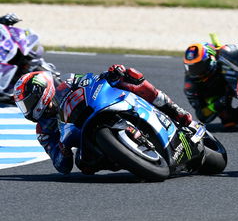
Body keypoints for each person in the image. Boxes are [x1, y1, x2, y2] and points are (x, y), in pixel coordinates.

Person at [13, 64, 192, 175]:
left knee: (130, 76)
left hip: (99, 106)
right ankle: (128, 157)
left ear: (41, 91)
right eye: (24, 106)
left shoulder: (67, 83)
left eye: (27, 103)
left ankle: (173, 110)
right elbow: (62, 166)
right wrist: (63, 150)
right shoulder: (43, 130)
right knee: (85, 166)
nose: (28, 110)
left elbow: (92, 80)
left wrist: (112, 73)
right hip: (86, 138)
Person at [183, 42, 238, 128]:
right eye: (191, 67)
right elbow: (202, 116)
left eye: (198, 66)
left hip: (236, 82)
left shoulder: (223, 57)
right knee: (229, 120)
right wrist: (219, 102)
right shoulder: (190, 85)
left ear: (210, 60)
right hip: (219, 95)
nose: (195, 72)